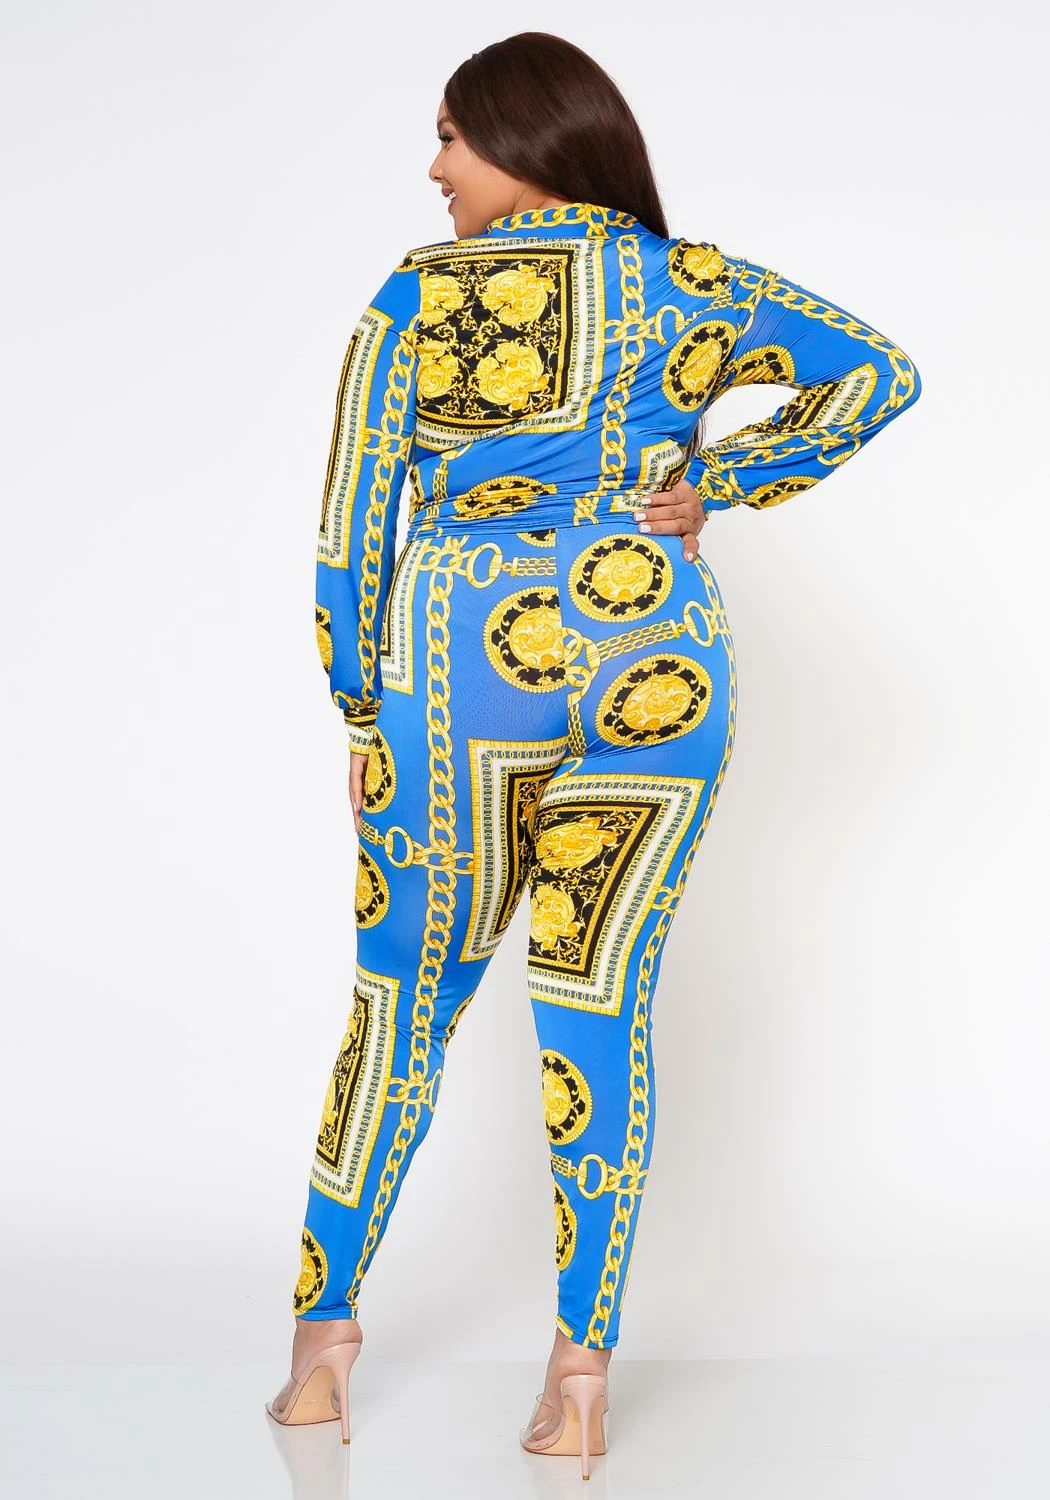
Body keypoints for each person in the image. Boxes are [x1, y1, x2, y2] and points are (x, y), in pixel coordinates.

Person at [265, 30, 922, 1475]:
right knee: (597, 1007)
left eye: (451, 136)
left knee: (400, 1003)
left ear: (523, 138)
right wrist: (718, 480)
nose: (434, 168)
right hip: (654, 662)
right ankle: (579, 1382)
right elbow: (879, 373)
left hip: (459, 668)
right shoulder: (692, 281)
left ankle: (320, 1352)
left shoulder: (418, 296)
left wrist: (358, 709)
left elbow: (351, 524)